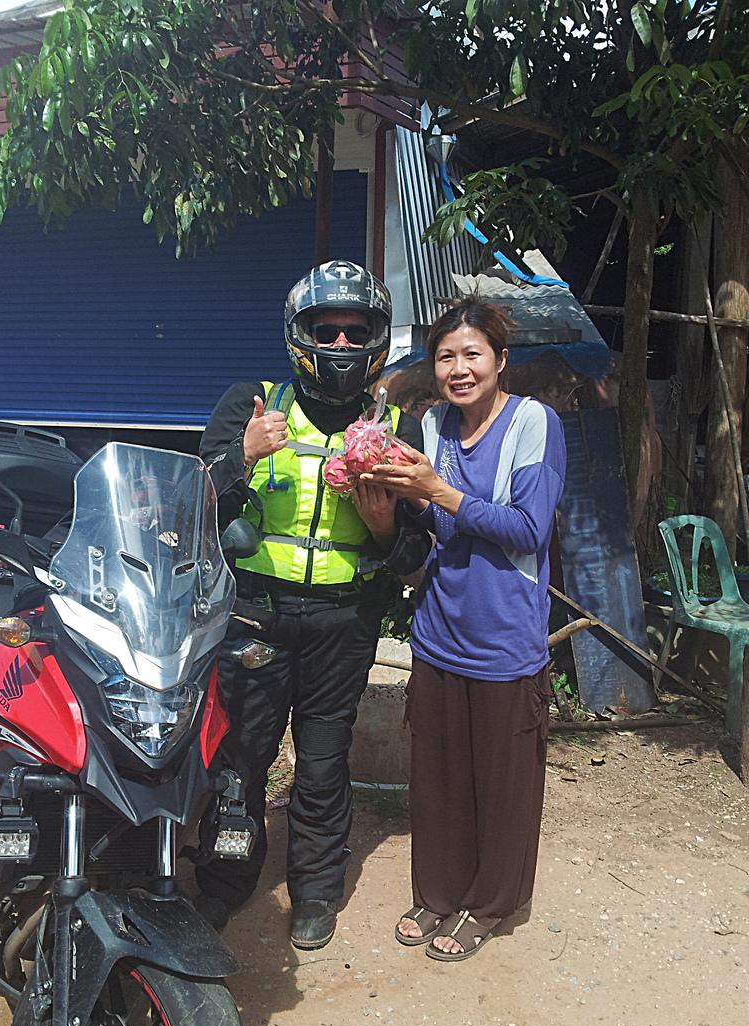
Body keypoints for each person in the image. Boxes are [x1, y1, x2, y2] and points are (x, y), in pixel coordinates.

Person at [196, 260, 429, 950]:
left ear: (378, 340)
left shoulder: (396, 428)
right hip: (254, 615)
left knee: (324, 762)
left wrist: (383, 525)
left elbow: (415, 553)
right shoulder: (251, 405)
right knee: (240, 758)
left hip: (343, 623)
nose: (340, 344)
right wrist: (240, 456)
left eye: (356, 331)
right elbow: (194, 507)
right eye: (326, 331)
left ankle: (316, 890)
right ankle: (225, 879)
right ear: (300, 335)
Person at [362, 296, 566, 962]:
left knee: (502, 784)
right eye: (445, 356)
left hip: (505, 638)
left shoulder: (532, 423)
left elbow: (529, 530)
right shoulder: (433, 425)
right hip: (438, 629)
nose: (458, 369)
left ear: (500, 360)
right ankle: (438, 892)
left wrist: (438, 491)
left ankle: (490, 903)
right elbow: (436, 525)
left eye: (471, 354)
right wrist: (392, 500)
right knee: (439, 779)